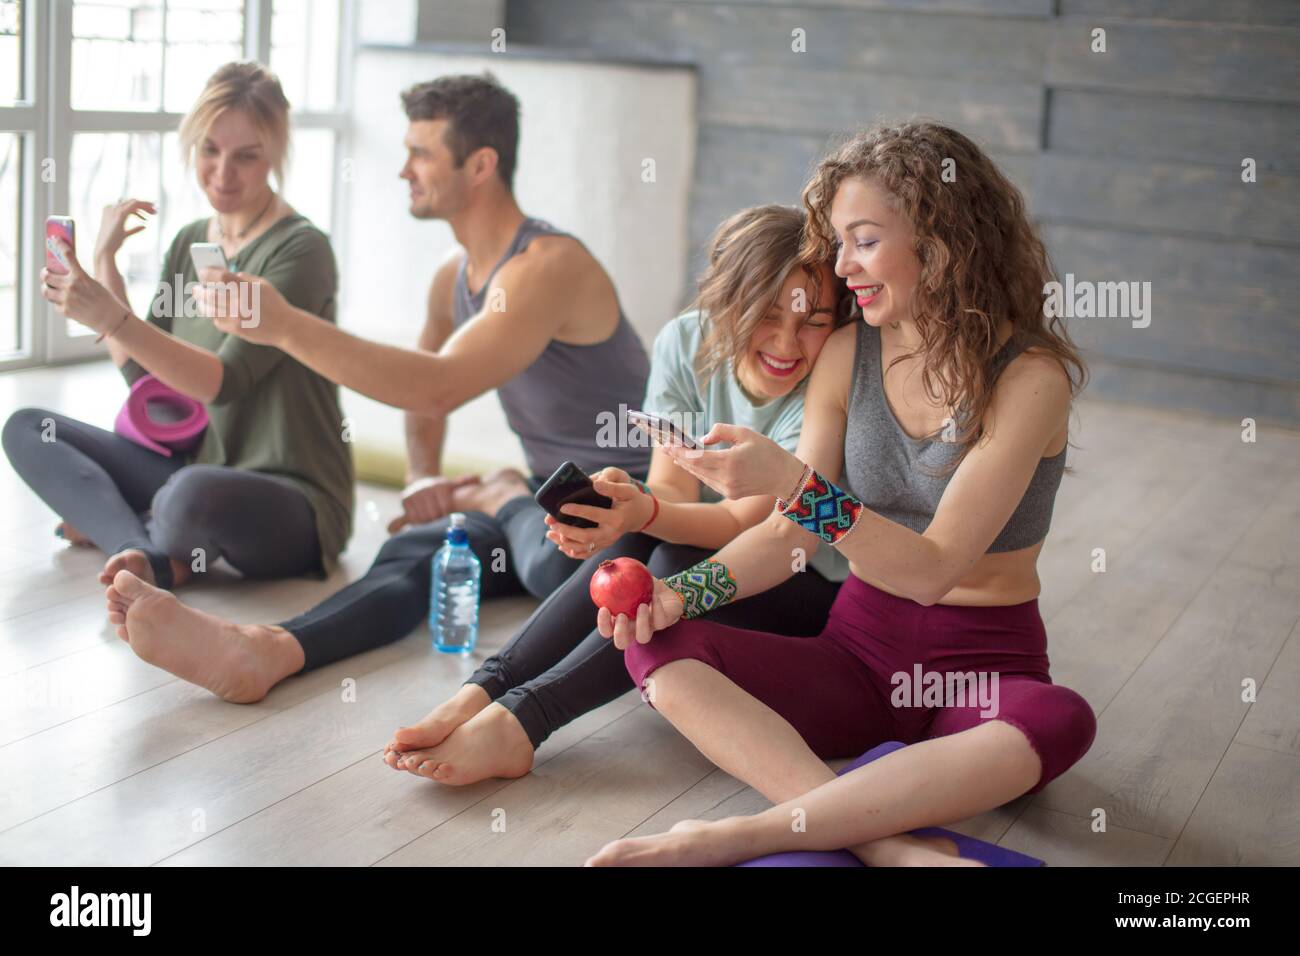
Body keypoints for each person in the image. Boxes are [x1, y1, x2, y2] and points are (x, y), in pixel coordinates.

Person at [584, 121, 1097, 868]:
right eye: (838, 242)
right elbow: (793, 538)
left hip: (984, 662)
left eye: (862, 240)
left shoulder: (1029, 380)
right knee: (663, 644)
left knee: (1059, 719)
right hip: (857, 651)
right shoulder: (851, 351)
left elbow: (932, 568)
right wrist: (681, 595)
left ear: (942, 239)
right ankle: (887, 844)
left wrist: (793, 484)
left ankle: (738, 836)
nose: (841, 266)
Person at [99, 72, 652, 703]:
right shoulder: (454, 276)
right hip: (548, 501)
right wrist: (421, 479)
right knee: (424, 551)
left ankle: (504, 500)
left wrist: (283, 325)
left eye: (421, 153)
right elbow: (426, 387)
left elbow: (438, 386)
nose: (403, 170)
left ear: (480, 165)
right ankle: (268, 649)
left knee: (554, 566)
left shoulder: (546, 267)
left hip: (629, 499)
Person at [380, 204, 856, 786]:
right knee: (641, 532)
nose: (788, 341)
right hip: (708, 558)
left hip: (800, 583)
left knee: (673, 550)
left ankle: (522, 720)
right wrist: (626, 503)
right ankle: (486, 687)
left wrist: (651, 511)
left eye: (813, 320)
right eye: (766, 313)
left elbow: (746, 523)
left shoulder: (825, 383)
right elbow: (671, 488)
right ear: (728, 302)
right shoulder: (687, 341)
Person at [3, 61, 351, 590]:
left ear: (275, 156)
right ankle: (140, 551)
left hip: (289, 497)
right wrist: (104, 264)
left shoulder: (302, 250)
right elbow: (149, 385)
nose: (222, 173)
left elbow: (223, 381)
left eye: (246, 157)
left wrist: (110, 315)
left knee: (189, 495)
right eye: (209, 150)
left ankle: (140, 527)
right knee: (27, 427)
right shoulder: (191, 240)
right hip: (193, 465)